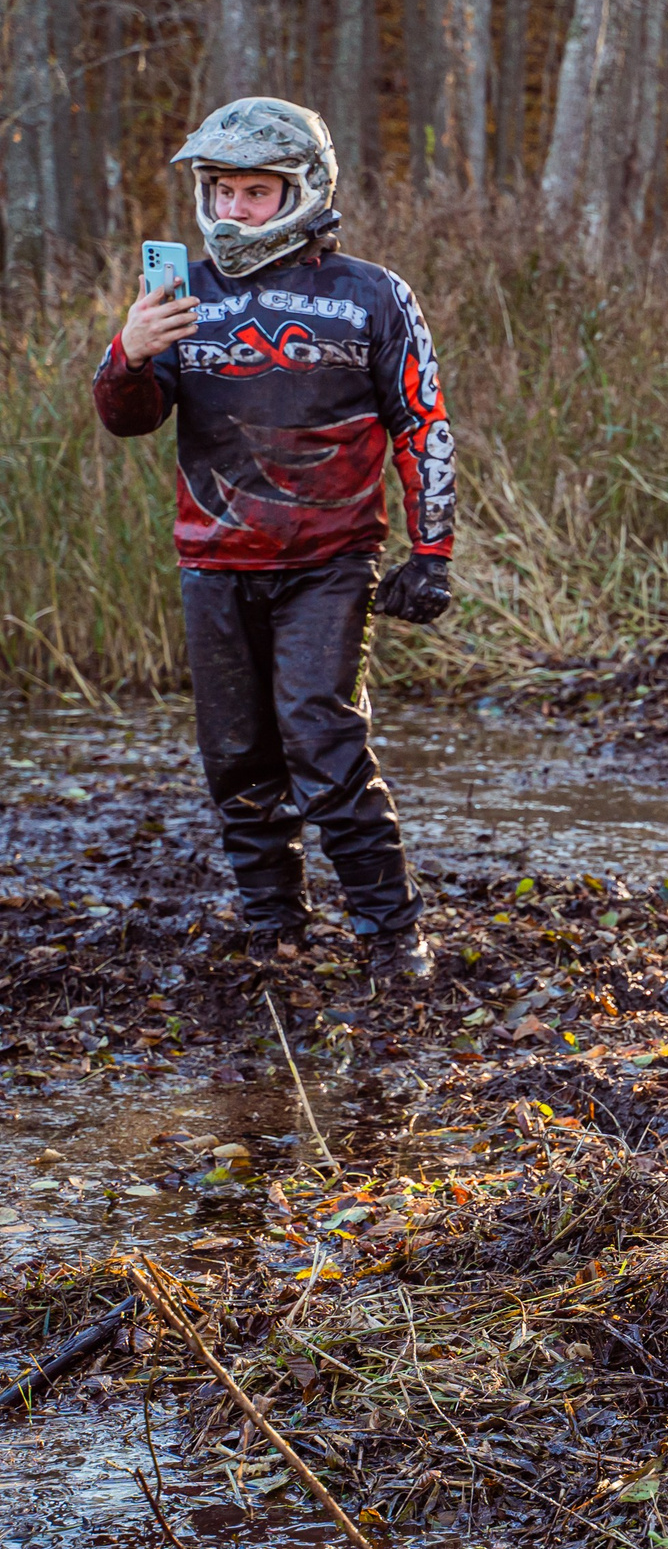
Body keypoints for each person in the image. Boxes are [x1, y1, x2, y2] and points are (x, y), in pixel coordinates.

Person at [91, 97, 455, 978]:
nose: (237, 210)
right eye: (222, 192)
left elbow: (423, 421)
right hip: (213, 560)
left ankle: (392, 933)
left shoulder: (370, 292)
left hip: (329, 560)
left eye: (258, 192)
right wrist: (130, 352)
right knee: (236, 755)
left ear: (303, 188)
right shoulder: (179, 296)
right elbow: (128, 419)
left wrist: (432, 551)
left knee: (322, 737)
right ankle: (275, 926)